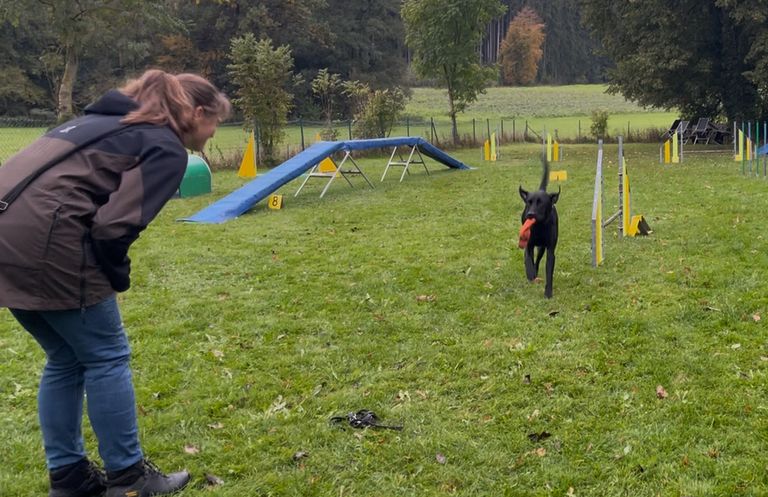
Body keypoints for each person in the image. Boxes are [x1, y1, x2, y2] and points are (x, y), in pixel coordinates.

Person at [0, 69, 230, 497]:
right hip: (51, 245)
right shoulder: (162, 144)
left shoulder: (91, 124)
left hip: (6, 243)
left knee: (65, 358)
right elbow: (113, 227)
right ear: (197, 113)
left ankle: (69, 478)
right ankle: (129, 478)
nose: (215, 132)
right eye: (216, 121)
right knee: (107, 356)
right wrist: (115, 277)